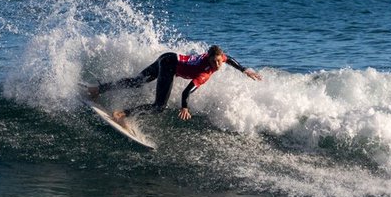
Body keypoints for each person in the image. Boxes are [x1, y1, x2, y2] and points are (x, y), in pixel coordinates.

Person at [88, 45, 262, 121]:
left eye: (219, 62)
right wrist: (184, 107)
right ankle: (121, 114)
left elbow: (228, 59)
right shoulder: (204, 72)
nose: (218, 65)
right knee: (159, 107)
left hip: (168, 56)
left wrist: (244, 69)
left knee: (136, 82)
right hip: (170, 65)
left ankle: (98, 89)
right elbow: (186, 92)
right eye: (214, 62)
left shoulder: (220, 57)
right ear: (208, 59)